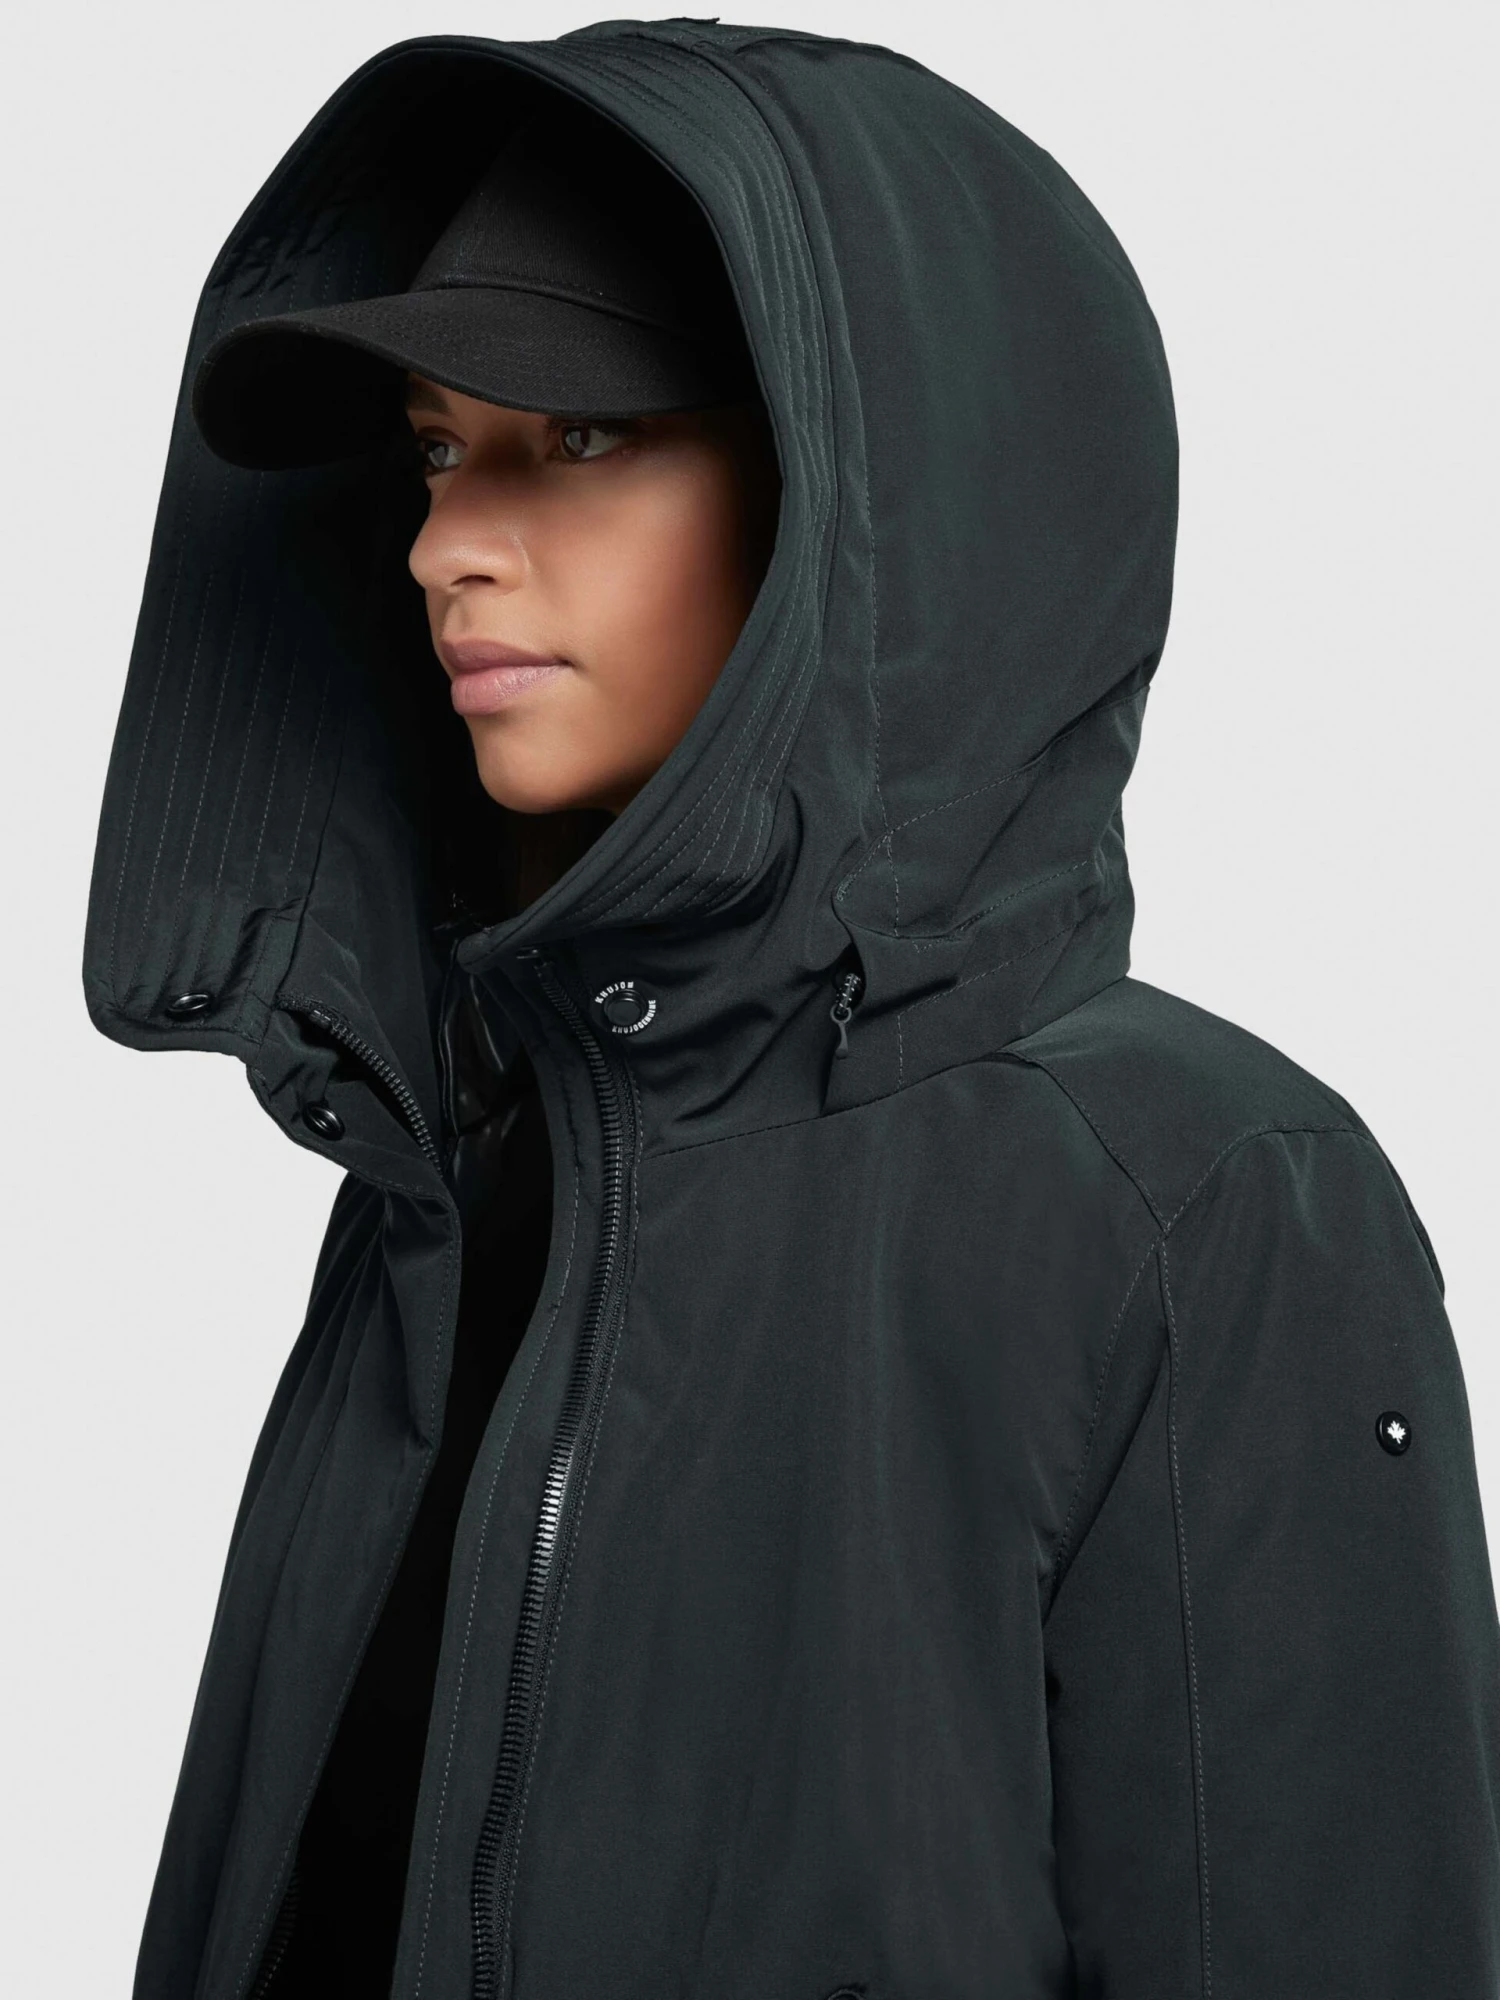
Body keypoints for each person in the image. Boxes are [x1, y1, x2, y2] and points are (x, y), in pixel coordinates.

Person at [83, 20, 1500, 2000]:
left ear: (860, 509)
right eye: (436, 446)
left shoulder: (1195, 1200)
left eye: (579, 441)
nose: (443, 543)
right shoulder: (456, 1168)